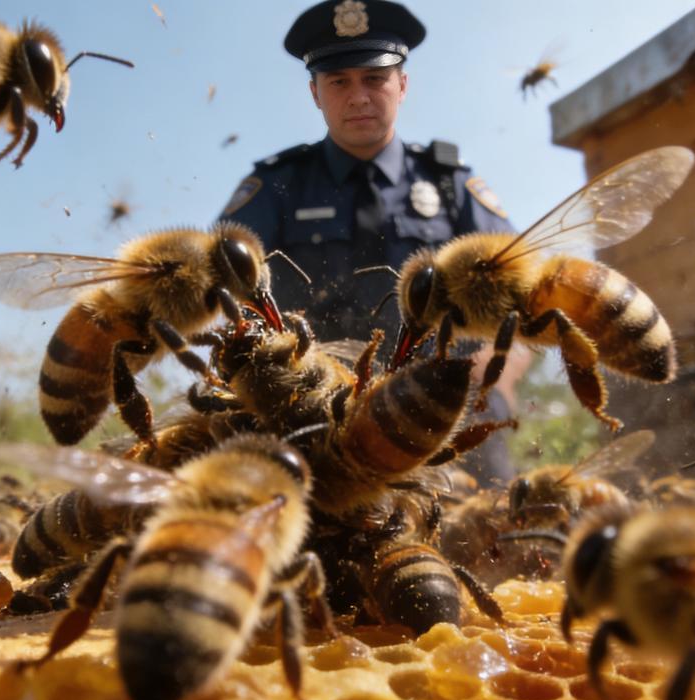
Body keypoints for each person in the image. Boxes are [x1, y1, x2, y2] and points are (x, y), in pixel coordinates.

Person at [218, 0, 522, 483]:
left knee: (498, 542)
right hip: (309, 420)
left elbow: (523, 298)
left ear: (402, 85)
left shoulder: (450, 185)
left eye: (374, 78)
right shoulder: (277, 186)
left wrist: (491, 384)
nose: (358, 96)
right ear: (315, 93)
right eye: (339, 81)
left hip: (449, 414)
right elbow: (222, 286)